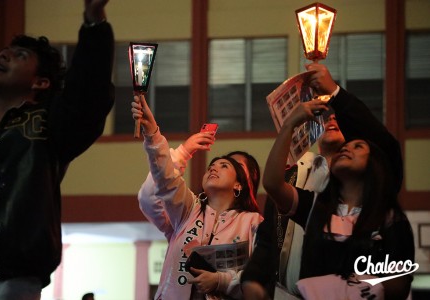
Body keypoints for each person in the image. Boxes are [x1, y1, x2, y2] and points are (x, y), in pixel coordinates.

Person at [0, 0, 114, 298]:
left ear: (40, 82)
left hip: (6, 278)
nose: (4, 55)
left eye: (20, 55)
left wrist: (94, 24)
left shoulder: (46, 126)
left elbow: (87, 96)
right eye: (5, 52)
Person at [263, 64, 415, 299]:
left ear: (375, 163)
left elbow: (399, 284)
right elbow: (272, 184)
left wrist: (353, 288)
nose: (347, 149)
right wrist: (289, 125)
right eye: (346, 147)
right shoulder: (316, 207)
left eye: (357, 145)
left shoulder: (389, 218)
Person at [132, 94, 263, 300]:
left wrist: (220, 280)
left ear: (241, 184)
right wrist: (154, 134)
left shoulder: (253, 222)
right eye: (212, 165)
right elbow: (165, 180)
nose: (214, 168)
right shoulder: (189, 209)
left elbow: (261, 277)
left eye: (226, 166)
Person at [241, 112, 345, 300]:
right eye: (326, 116)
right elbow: (268, 236)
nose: (331, 119)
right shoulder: (292, 175)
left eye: (338, 117)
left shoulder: (356, 181)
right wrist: (252, 278)